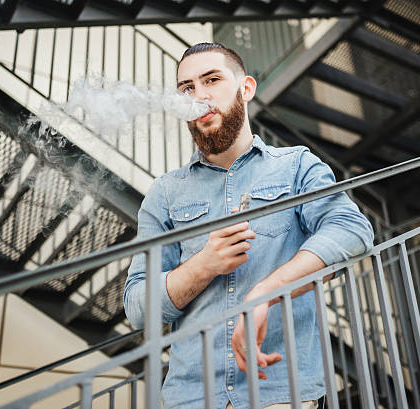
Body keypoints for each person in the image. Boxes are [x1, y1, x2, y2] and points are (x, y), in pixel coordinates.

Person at [124, 42, 374, 409]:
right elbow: (136, 307)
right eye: (187, 88)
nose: (199, 95)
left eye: (212, 80)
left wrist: (264, 293)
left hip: (280, 392)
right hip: (191, 398)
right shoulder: (164, 194)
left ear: (246, 88)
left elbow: (352, 231)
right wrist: (203, 266)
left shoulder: (296, 165)